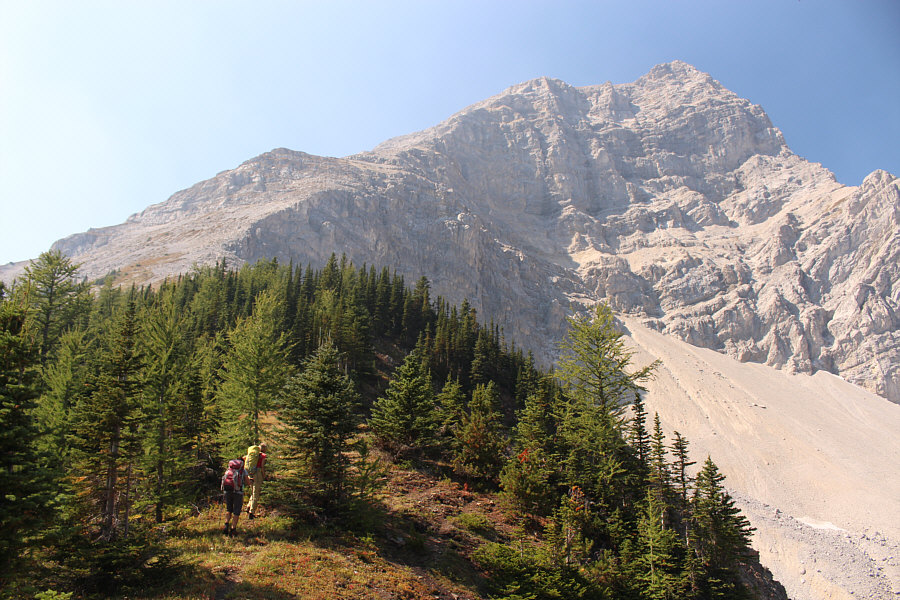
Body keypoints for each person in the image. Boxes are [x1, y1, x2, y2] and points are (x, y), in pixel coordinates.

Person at [221, 457, 252, 536]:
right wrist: (250, 481)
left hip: (228, 491)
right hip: (238, 493)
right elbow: (248, 482)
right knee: (236, 511)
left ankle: (226, 525)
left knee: (229, 509)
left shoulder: (229, 470)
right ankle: (233, 529)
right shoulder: (243, 471)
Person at [246, 442, 268, 519]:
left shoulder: (253, 454)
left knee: (253, 491)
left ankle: (248, 506)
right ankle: (251, 512)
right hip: (258, 474)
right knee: (256, 493)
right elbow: (262, 467)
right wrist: (264, 476)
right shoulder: (263, 456)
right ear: (264, 449)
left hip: (250, 473)